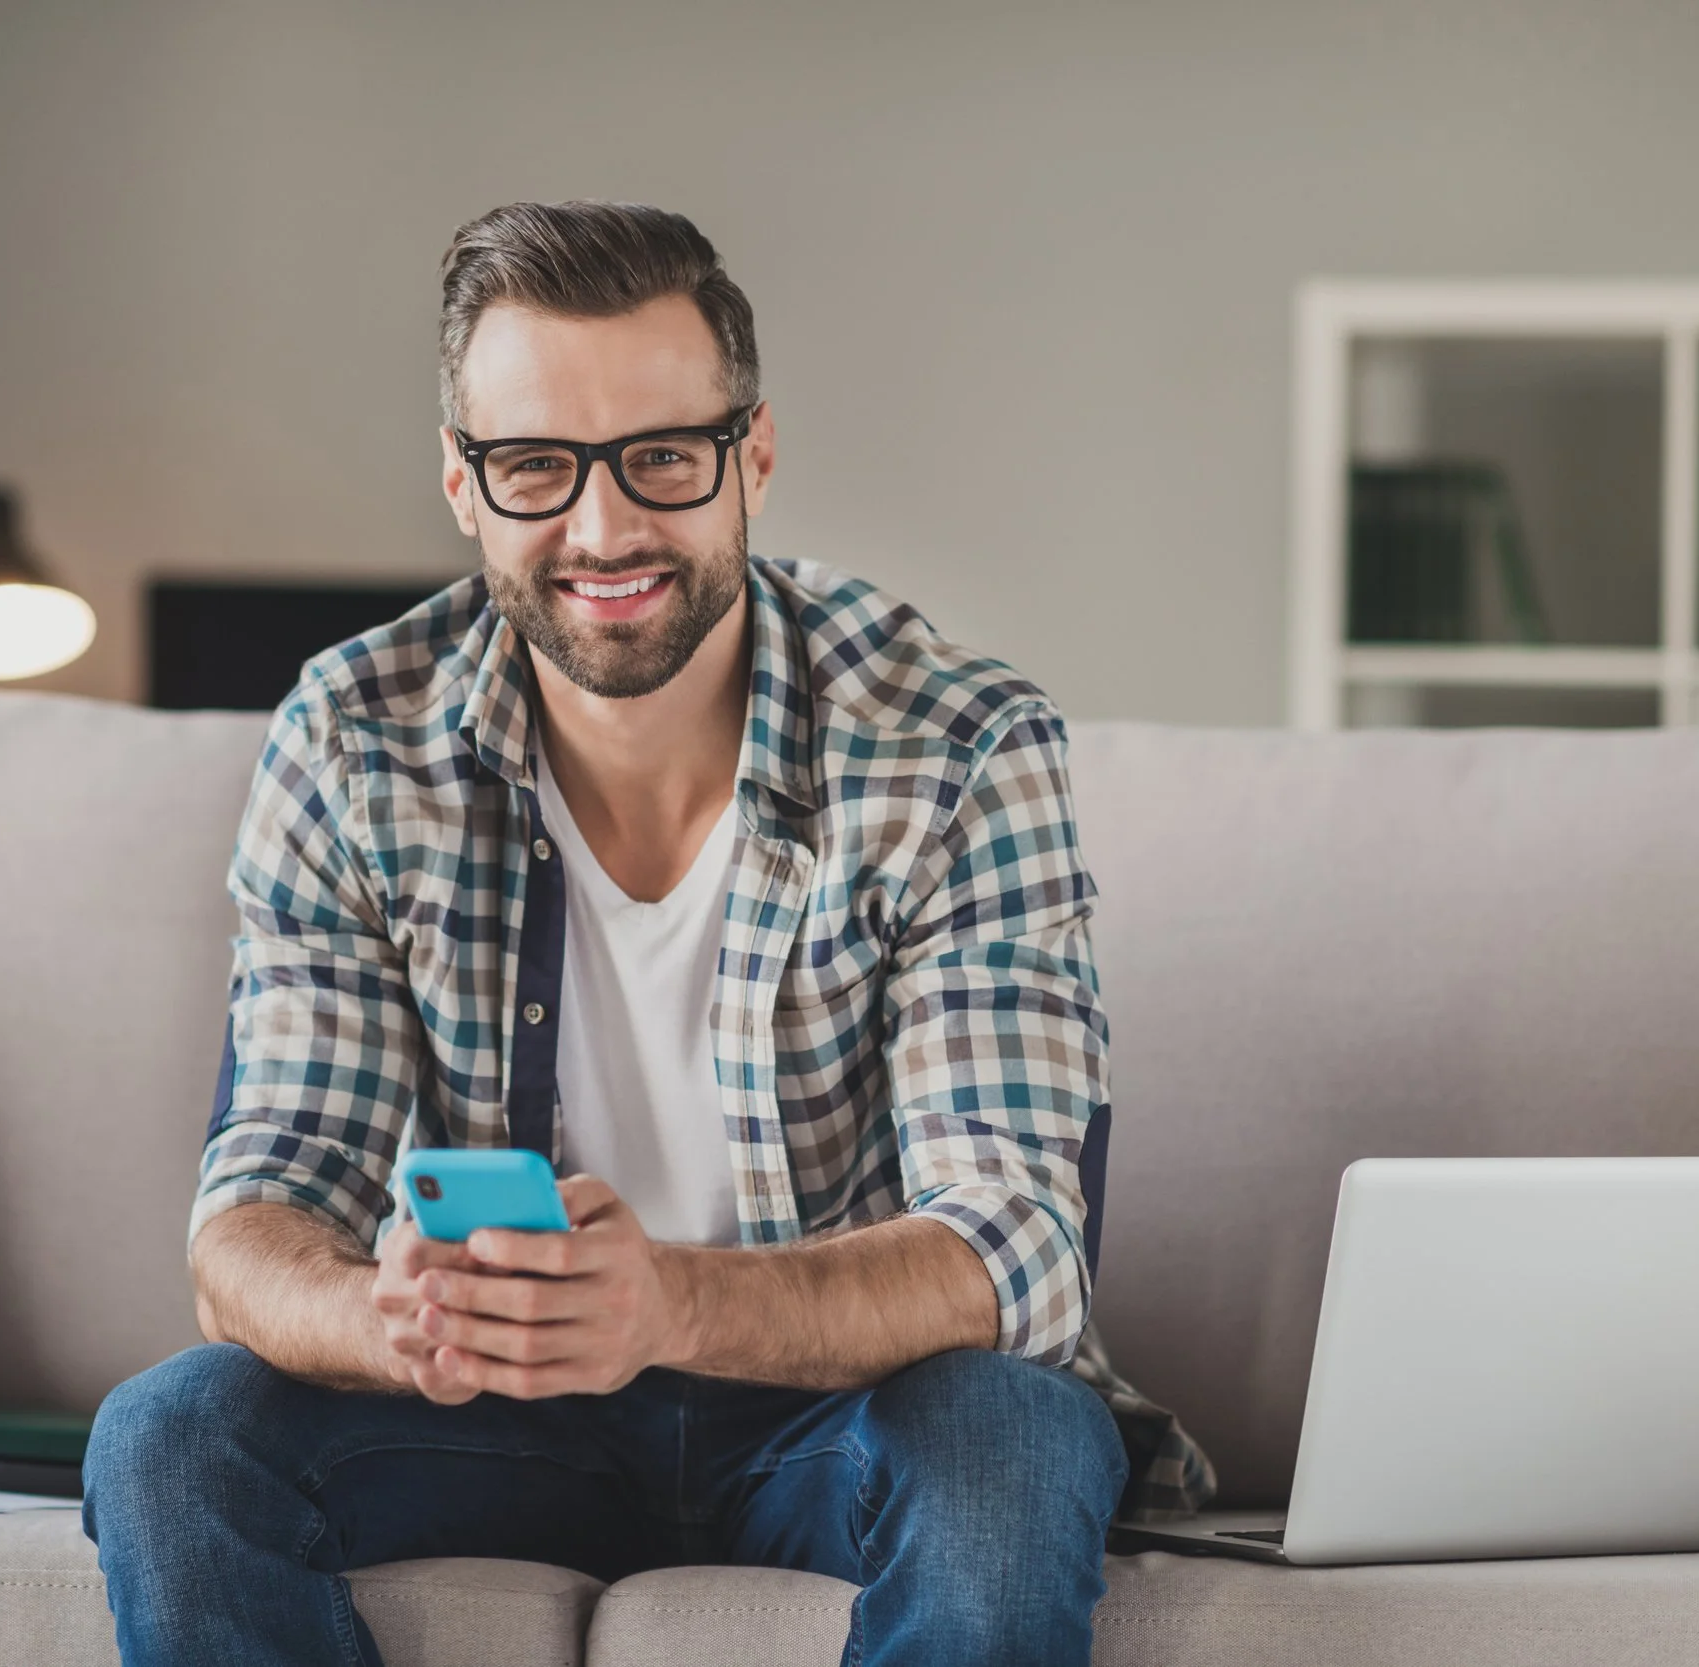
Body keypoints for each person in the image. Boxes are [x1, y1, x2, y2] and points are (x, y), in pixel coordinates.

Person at [80, 199, 1213, 1667]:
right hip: (495, 1418)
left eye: (663, 459)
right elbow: (252, 1218)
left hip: (842, 1413)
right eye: (537, 466)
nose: (605, 527)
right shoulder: (354, 737)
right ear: (462, 483)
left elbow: (1015, 1246)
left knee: (1014, 1435)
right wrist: (386, 1317)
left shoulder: (955, 742)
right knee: (169, 1432)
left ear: (752, 456)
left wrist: (666, 1302)